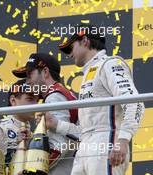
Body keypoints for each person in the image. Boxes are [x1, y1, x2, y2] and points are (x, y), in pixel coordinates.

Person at [45, 25, 145, 175]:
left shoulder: (110, 64)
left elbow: (135, 103)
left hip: (107, 142)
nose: (69, 54)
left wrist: (123, 140)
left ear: (85, 40)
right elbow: (87, 131)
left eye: (71, 47)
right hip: (86, 146)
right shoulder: (88, 74)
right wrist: (57, 125)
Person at [12, 53, 79, 175]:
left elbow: (59, 147)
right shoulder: (58, 93)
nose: (27, 82)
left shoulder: (54, 97)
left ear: (45, 72)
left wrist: (33, 170)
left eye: (29, 75)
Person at [0, 79, 38, 173]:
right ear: (13, 101)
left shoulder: (35, 135)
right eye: (30, 99)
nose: (35, 104)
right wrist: (16, 147)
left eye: (37, 100)